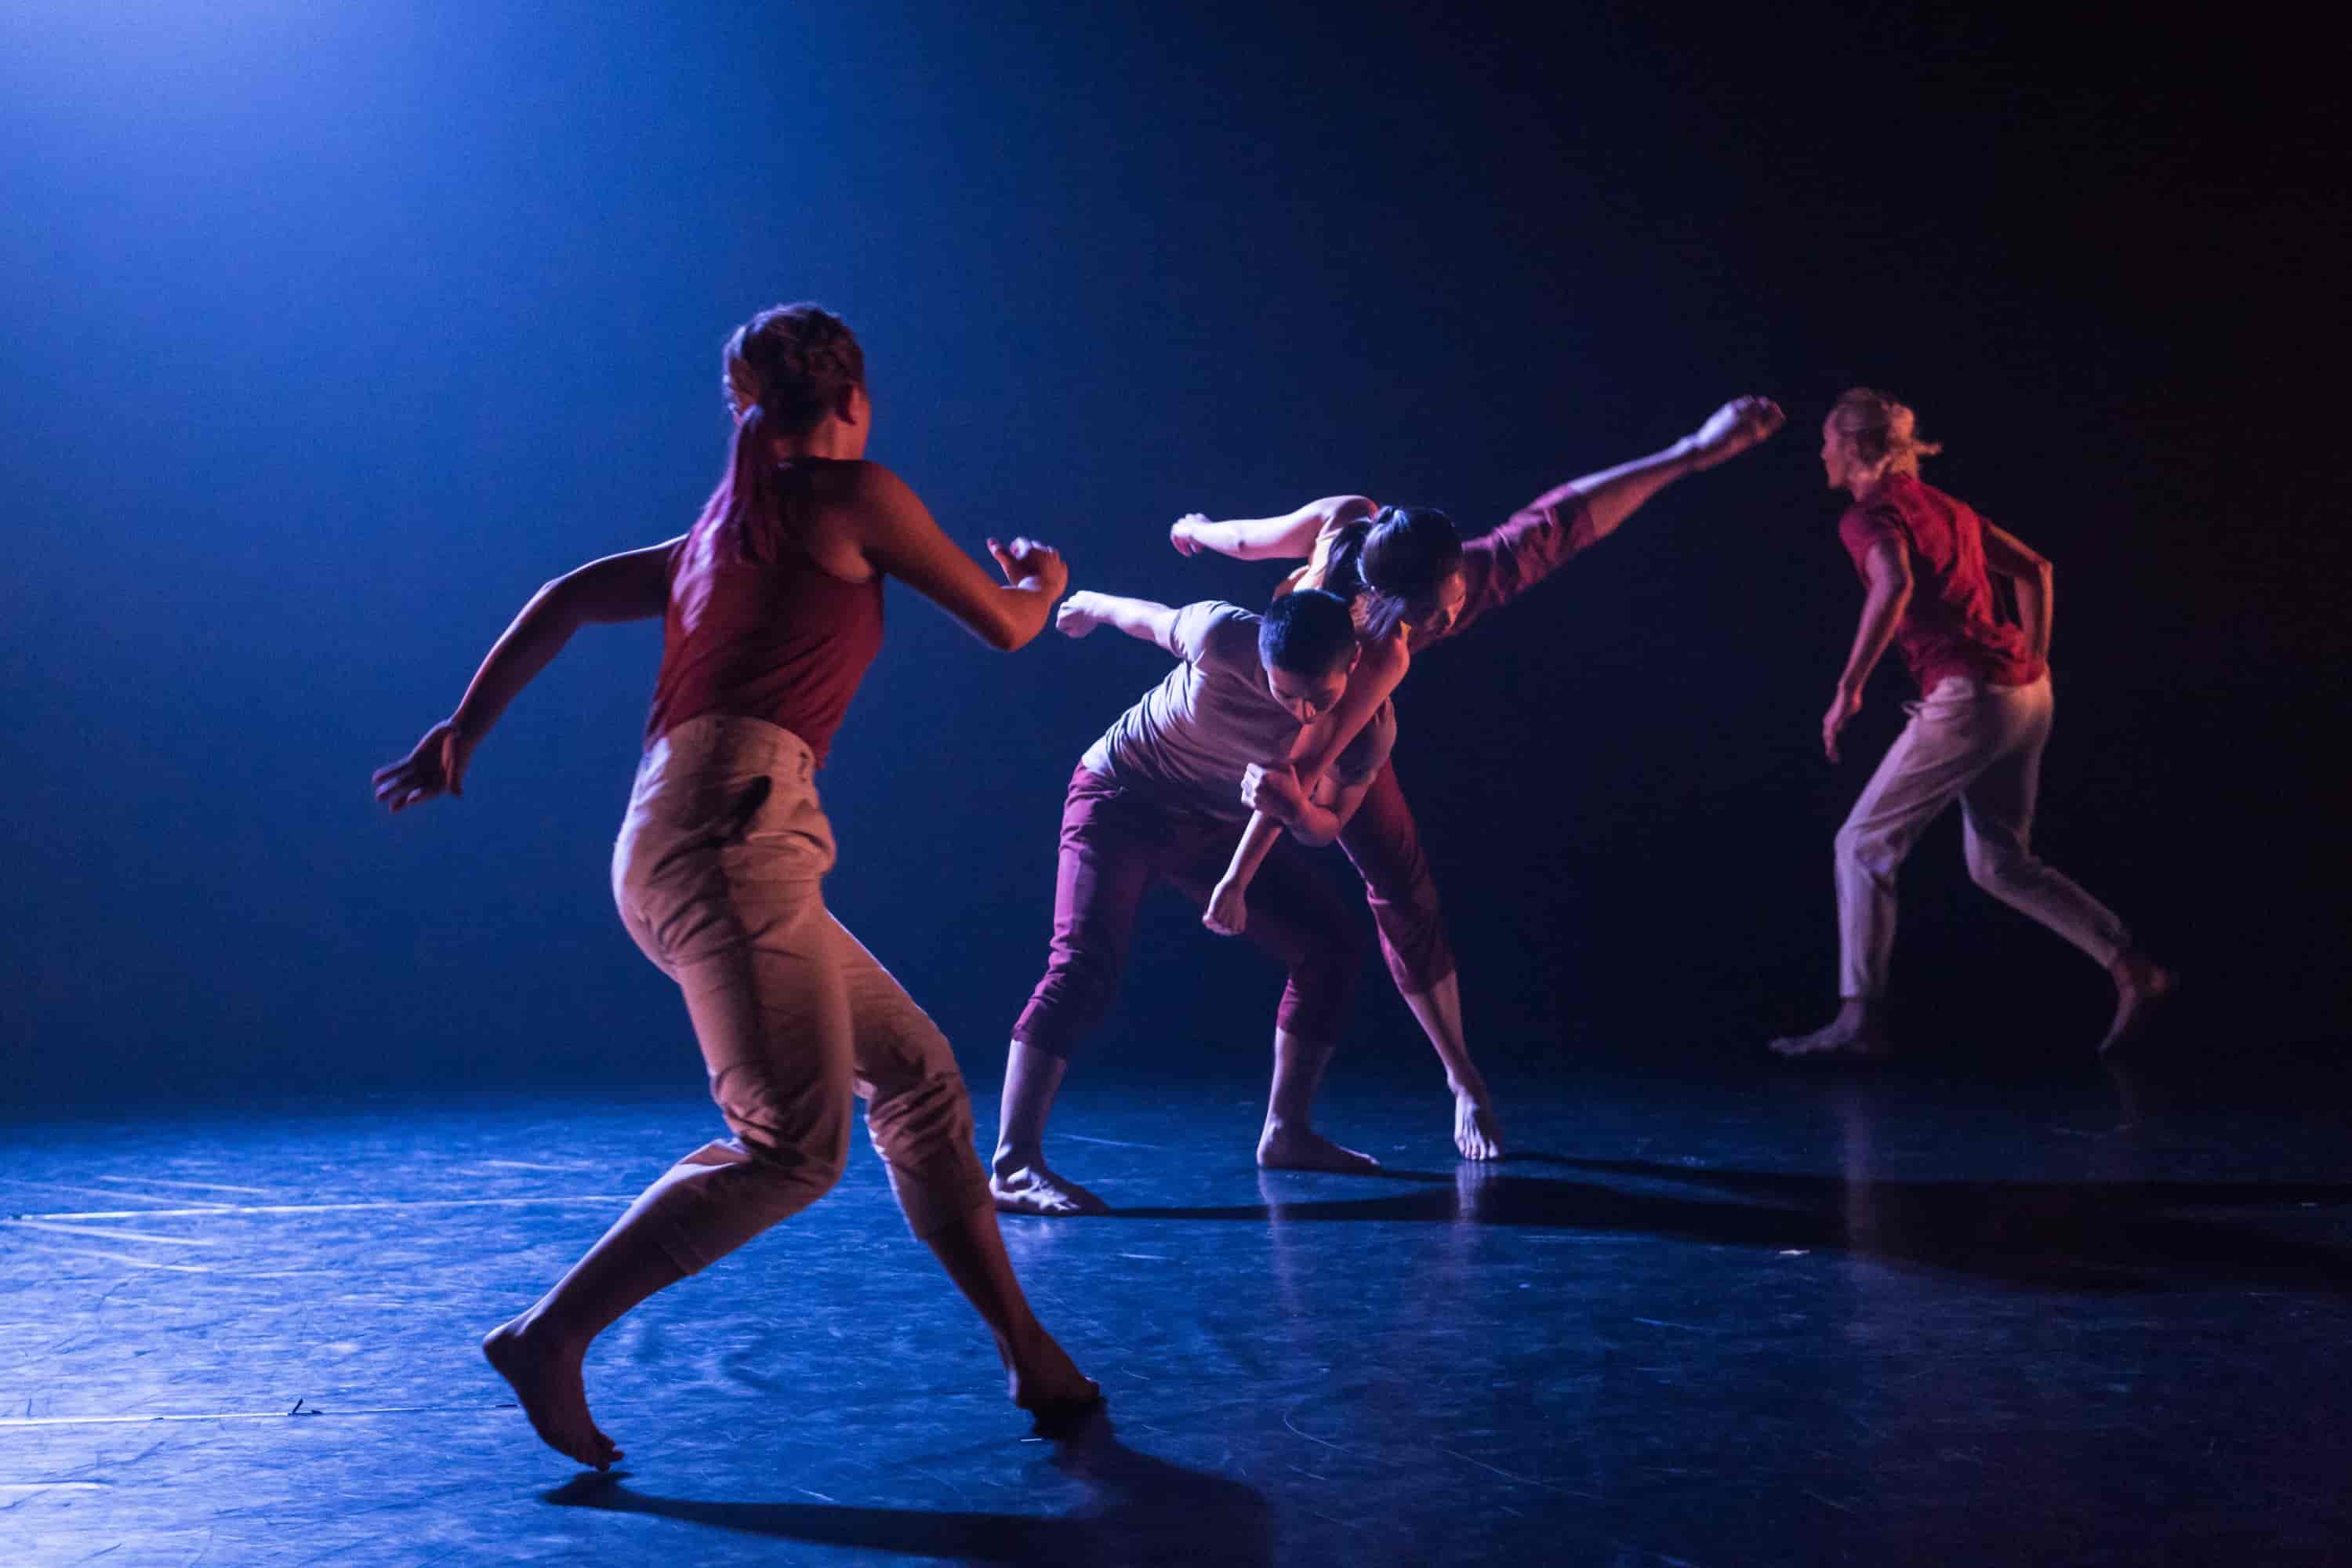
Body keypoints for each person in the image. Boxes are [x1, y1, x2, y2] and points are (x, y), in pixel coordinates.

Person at [371, 303, 1098, 1469]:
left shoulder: (720, 532)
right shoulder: (852, 495)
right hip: (731, 835)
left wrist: (467, 724)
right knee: (793, 1147)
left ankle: (1030, 1353)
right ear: (851, 400)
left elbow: (562, 597)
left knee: (915, 1077)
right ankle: (549, 1335)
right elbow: (1010, 629)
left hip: (693, 830)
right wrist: (1045, 583)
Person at [1168, 397, 1786, 1157]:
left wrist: (1197, 529)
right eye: (1440, 609)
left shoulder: (1362, 526)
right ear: (1393, 605)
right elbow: (1294, 771)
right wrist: (1238, 877)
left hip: (1340, 678)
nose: (1454, 610)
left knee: (1529, 545)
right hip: (1305, 713)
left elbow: (1246, 538)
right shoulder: (1377, 652)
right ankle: (1447, 1082)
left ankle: (1459, 1080)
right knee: (1396, 881)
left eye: (1455, 591)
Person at [1767, 388, 2171, 1060]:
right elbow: (2036, 570)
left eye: (1828, 440)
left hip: (1971, 699)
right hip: (2026, 694)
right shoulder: (1946, 507)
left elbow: (1893, 584)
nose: (1821, 452)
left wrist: (1848, 688)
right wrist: (2032, 660)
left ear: (1857, 448)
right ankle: (2133, 967)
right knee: (2000, 863)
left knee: (1861, 844)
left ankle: (1858, 1021)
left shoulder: (1870, 515)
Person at [989, 588, 1396, 1215]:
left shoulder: (1367, 723)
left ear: (1353, 666)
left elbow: (1326, 828)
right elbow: (1146, 619)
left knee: (1331, 946)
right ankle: (1013, 1164)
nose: (1302, 711)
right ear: (1262, 660)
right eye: (1285, 693)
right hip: (1121, 796)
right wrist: (1088, 604)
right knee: (1082, 967)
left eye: (1319, 697)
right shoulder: (1221, 636)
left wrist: (1295, 810)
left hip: (1214, 826)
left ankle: (1286, 1132)